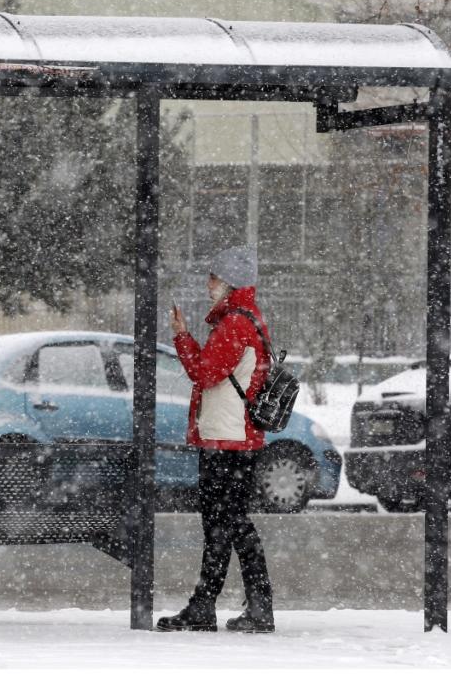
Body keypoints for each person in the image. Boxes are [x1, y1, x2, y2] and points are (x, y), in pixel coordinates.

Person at [155, 246, 275, 634]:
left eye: (213, 278)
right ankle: (208, 606)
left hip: (228, 438)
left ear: (229, 283)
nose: (207, 284)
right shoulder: (243, 319)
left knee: (229, 522)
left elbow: (204, 374)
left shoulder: (236, 324)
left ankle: (251, 608)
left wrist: (181, 337)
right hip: (231, 436)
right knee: (223, 523)